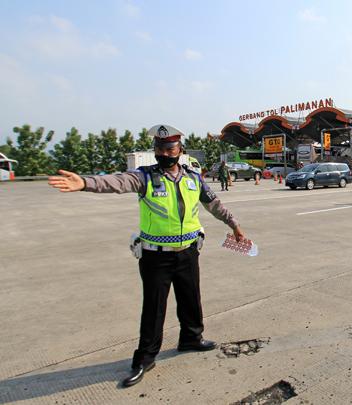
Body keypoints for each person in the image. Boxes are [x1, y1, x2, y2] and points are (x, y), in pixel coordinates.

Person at [47, 124, 245, 388]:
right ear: (155, 151)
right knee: (154, 308)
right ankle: (145, 358)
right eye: (160, 148)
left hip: (188, 252)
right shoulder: (145, 178)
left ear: (180, 150)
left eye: (170, 148)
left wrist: (234, 226)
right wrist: (85, 182)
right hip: (156, 258)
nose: (165, 153)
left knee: (191, 298)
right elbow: (116, 182)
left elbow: (215, 205)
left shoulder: (193, 179)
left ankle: (191, 338)